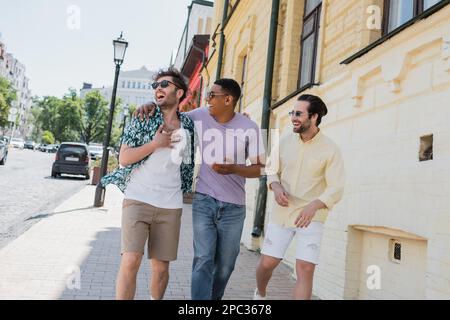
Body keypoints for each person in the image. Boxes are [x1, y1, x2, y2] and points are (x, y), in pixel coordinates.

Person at [135, 78, 265, 300]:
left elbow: (260, 168)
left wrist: (234, 168)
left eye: (212, 95)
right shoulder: (199, 116)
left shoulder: (248, 128)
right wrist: (150, 105)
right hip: (204, 199)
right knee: (203, 258)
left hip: (234, 207)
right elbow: (171, 114)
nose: (207, 99)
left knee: (225, 265)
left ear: (228, 99)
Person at [101, 67, 195, 300]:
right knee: (131, 260)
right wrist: (155, 144)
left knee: (161, 268)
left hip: (170, 205)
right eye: (155, 86)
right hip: (138, 198)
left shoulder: (189, 126)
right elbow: (123, 158)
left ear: (180, 93)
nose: (158, 89)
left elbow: (188, 164)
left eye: (164, 85)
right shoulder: (142, 117)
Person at [254, 94, 345, 300]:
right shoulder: (286, 141)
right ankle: (260, 294)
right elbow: (271, 169)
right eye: (292, 113)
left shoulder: (330, 149)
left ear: (313, 117)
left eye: (298, 114)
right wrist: (276, 186)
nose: (293, 117)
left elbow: (337, 186)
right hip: (282, 214)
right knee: (268, 263)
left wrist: (315, 205)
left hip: (311, 217)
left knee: (305, 269)